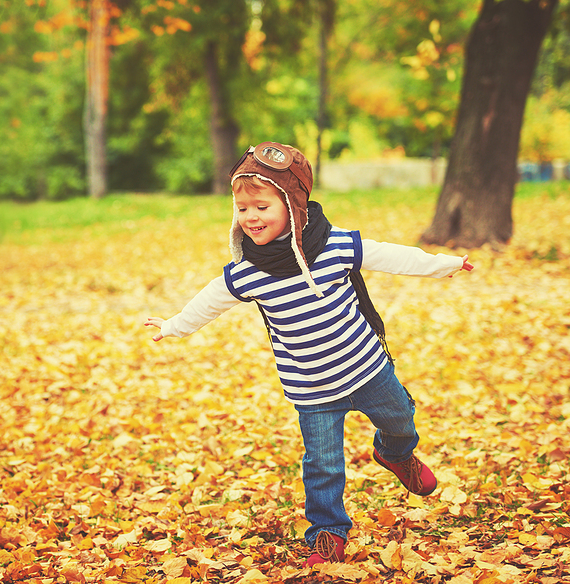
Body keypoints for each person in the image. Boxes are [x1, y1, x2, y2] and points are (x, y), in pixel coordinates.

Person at [144, 142, 473, 567]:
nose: (251, 217)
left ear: (292, 204)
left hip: (368, 369)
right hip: (312, 389)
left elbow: (390, 255)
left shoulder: (335, 246)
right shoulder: (248, 272)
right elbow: (210, 300)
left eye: (261, 206)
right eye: (242, 209)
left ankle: (395, 454)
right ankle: (328, 532)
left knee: (402, 422)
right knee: (323, 465)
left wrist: (443, 263)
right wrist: (174, 325)